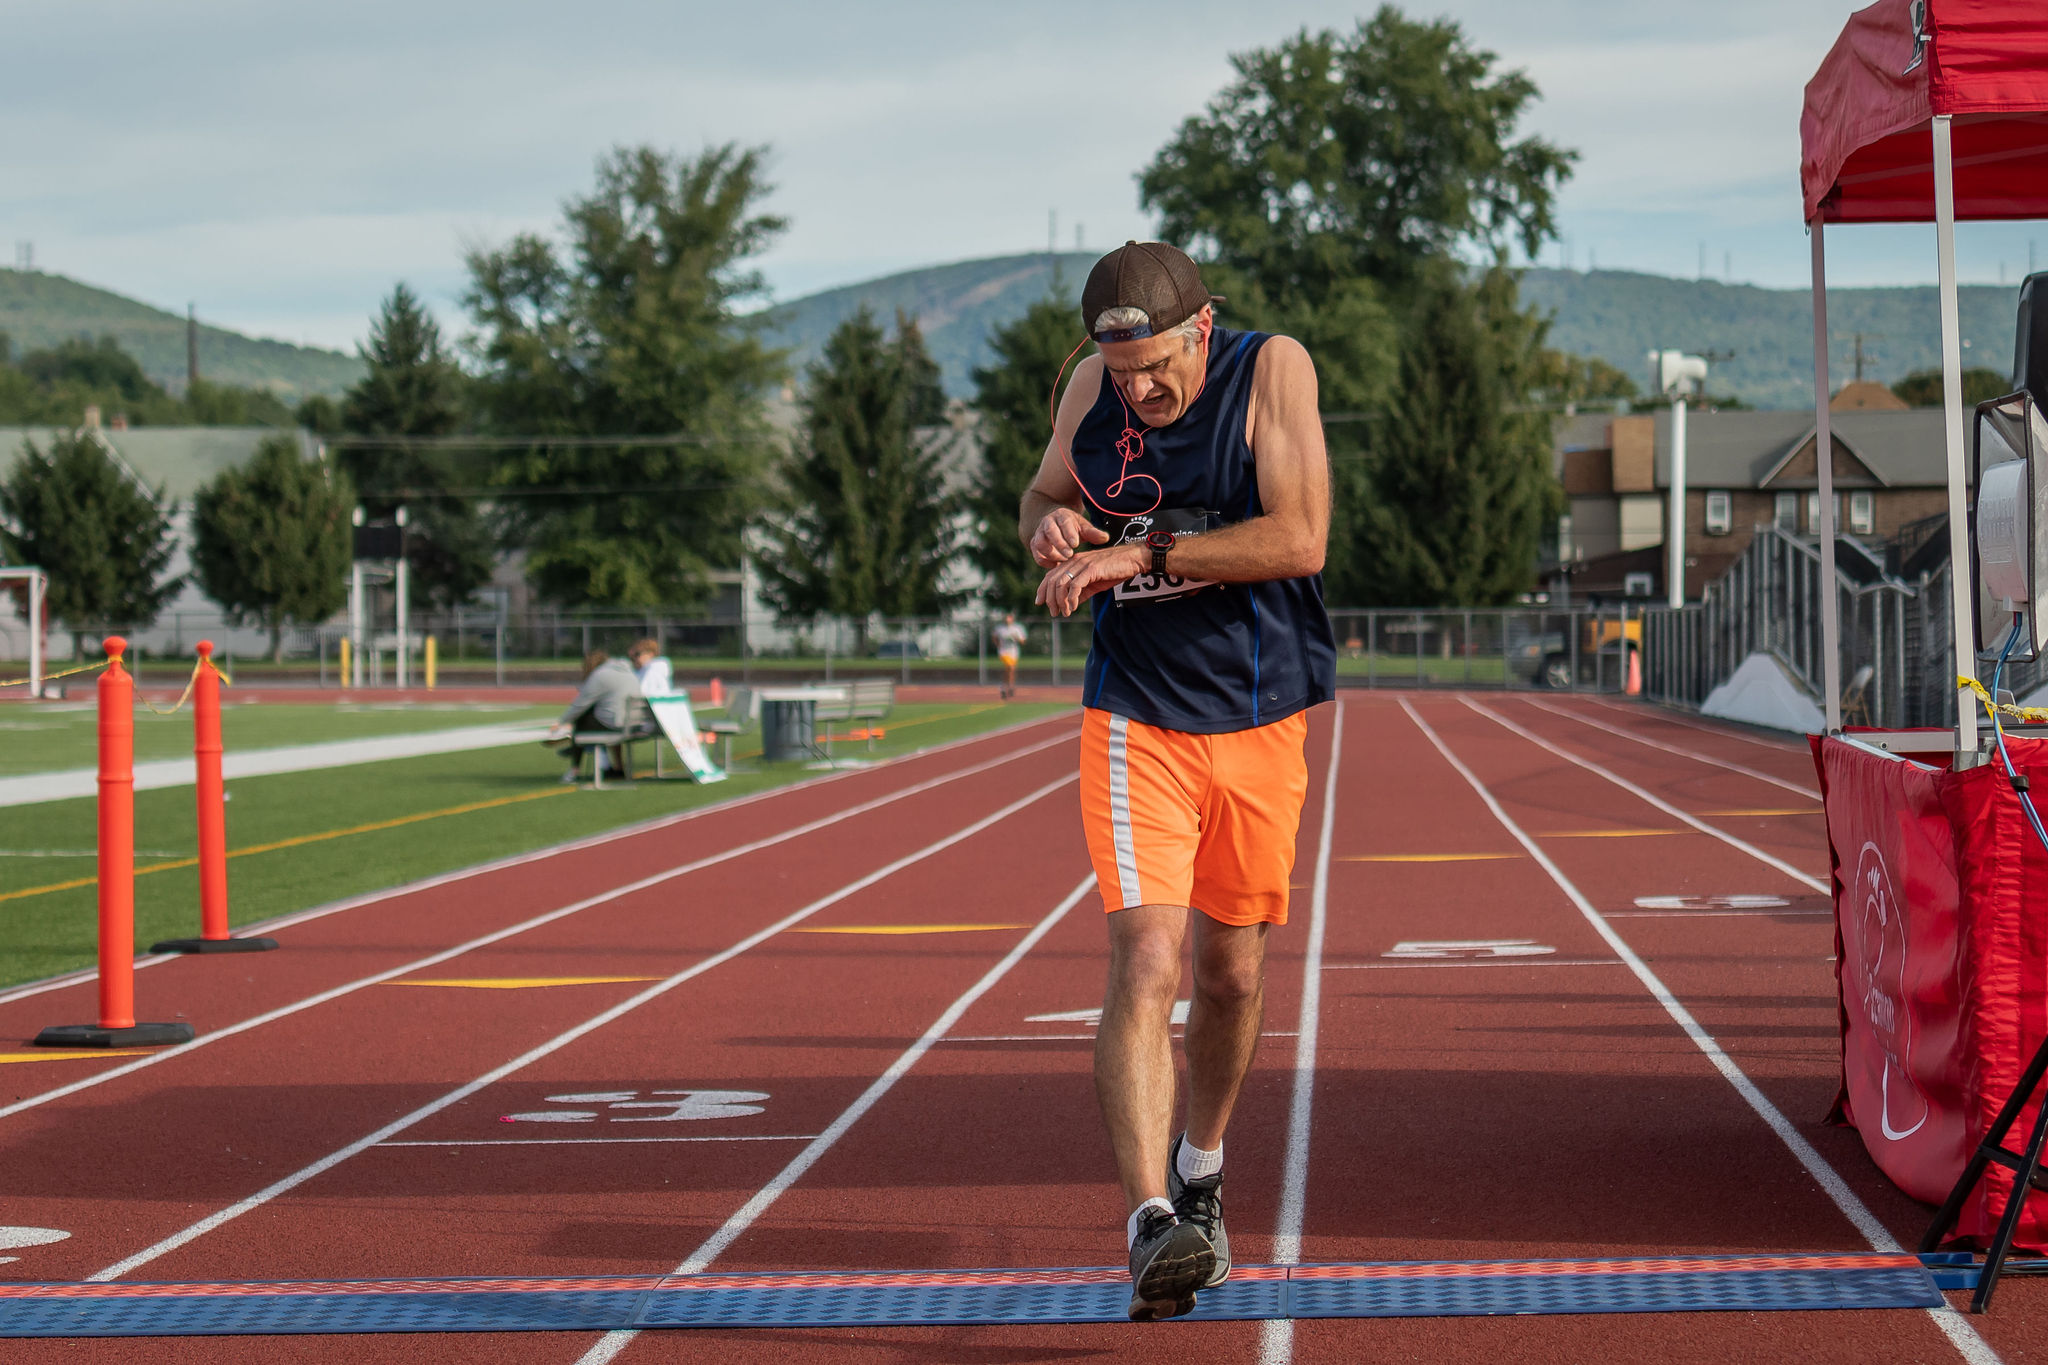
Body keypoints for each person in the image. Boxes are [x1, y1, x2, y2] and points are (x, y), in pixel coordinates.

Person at [1019, 241, 1335, 1321]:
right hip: (1134, 711)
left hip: (1258, 707)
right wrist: (1050, 524)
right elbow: (1041, 494)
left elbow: (1299, 537)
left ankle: (1199, 1166)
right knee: (1147, 957)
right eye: (1122, 374)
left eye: (1156, 368)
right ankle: (1150, 1221)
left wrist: (1139, 556)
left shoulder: (1271, 368)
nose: (1140, 392)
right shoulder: (1089, 388)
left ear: (1201, 329)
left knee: (1230, 973)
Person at [545, 650, 649, 783]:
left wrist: (561, 722)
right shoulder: (628, 671)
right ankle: (617, 766)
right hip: (633, 723)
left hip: (617, 725)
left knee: (582, 719)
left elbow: (580, 704)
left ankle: (575, 769)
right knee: (603, 717)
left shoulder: (600, 674)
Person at [993, 613, 1027, 699]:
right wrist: (998, 645)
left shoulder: (1017, 629)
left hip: (1013, 652)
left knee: (1011, 670)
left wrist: (1016, 638)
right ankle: (1008, 686)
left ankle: (1007, 686)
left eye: (1009, 618)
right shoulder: (1000, 628)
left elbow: (1023, 641)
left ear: (1012, 619)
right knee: (1010, 667)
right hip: (1003, 652)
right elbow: (994, 637)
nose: (1007, 620)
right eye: (1006, 618)